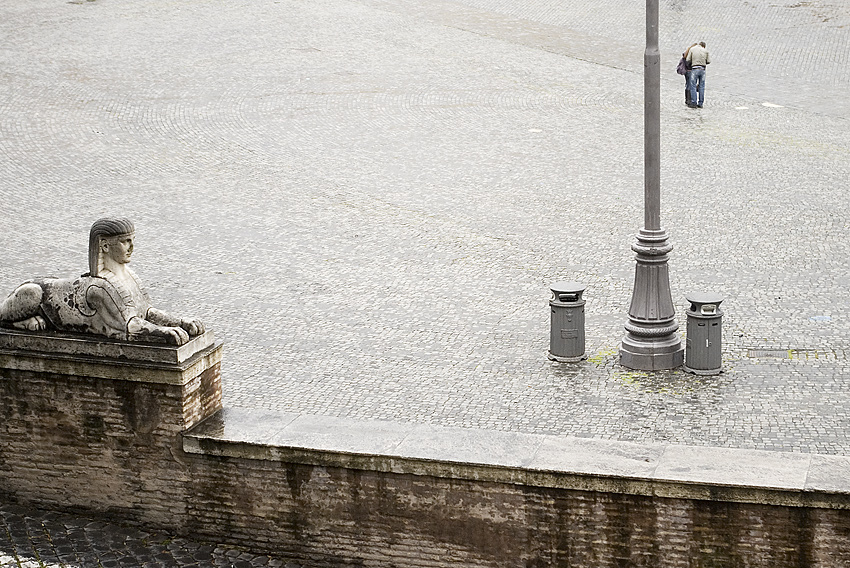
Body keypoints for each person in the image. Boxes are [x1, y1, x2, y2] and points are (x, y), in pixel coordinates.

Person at [0, 217, 204, 345]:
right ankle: (15, 321)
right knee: (32, 294)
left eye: (132, 241)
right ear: (105, 246)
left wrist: (179, 322)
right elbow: (128, 327)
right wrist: (164, 332)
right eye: (125, 242)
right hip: (40, 296)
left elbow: (146, 311)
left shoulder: (130, 276)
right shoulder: (99, 288)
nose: (132, 248)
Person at [686, 42, 711, 108]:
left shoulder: (692, 49)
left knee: (693, 86)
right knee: (701, 86)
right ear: (703, 46)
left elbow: (688, 59)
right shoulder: (706, 51)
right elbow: (708, 61)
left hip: (694, 68)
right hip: (702, 69)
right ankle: (701, 103)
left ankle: (694, 102)